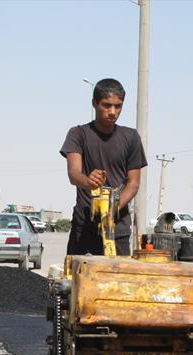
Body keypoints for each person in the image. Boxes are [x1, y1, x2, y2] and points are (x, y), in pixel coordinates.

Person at [60, 78, 147, 256]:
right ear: (94, 103)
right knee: (76, 281)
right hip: (84, 227)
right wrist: (88, 180)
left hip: (118, 229)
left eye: (118, 106)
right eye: (106, 105)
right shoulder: (78, 134)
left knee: (118, 282)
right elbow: (73, 174)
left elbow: (134, 184)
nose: (112, 112)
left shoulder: (131, 137)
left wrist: (112, 208)